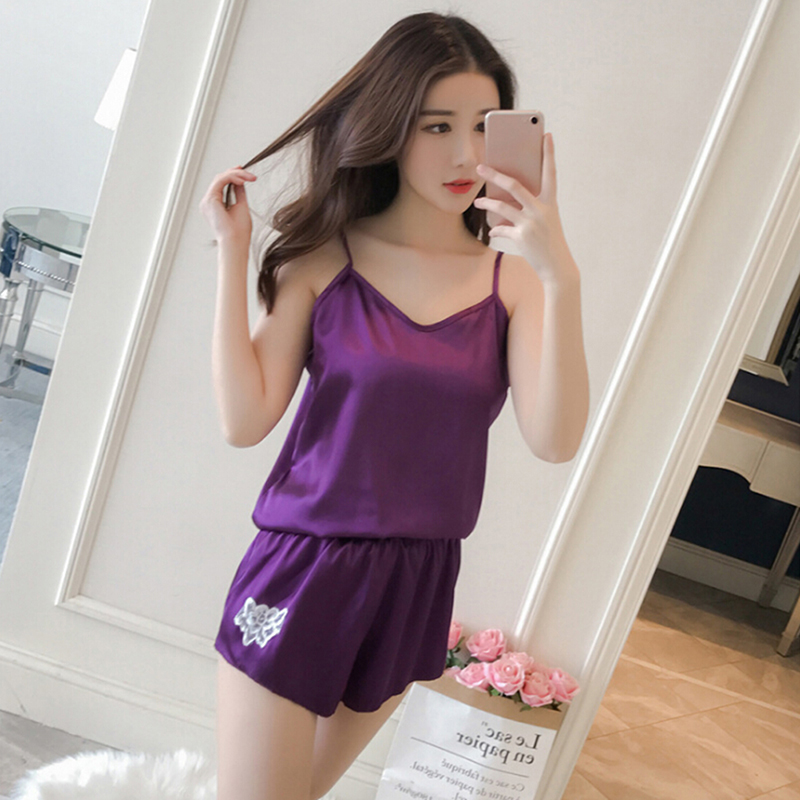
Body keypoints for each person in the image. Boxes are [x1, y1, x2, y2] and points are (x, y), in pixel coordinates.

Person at [198, 11, 589, 800]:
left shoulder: (513, 283)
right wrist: (234, 255)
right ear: (388, 127)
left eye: (482, 125)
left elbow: (555, 440)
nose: (465, 154)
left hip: (416, 583)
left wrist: (561, 276)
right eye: (436, 126)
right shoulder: (325, 260)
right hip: (303, 569)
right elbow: (245, 421)